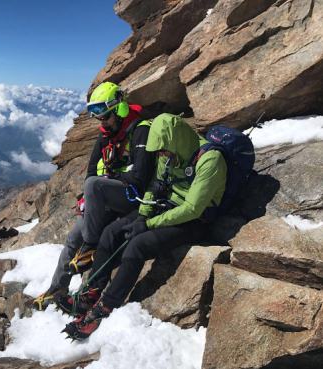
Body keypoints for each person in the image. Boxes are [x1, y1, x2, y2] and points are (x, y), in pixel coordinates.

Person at [62, 113, 228, 340]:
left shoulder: (210, 160)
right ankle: (92, 291)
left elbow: (192, 209)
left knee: (137, 246)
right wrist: (142, 216)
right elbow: (155, 185)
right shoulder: (169, 152)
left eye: (162, 150)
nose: (160, 155)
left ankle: (105, 308)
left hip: (194, 222)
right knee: (111, 232)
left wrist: (149, 224)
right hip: (165, 207)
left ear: (174, 139)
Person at [32, 82, 156, 310]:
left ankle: (90, 249)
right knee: (72, 238)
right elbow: (92, 169)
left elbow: (140, 178)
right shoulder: (107, 134)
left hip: (133, 197)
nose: (102, 122)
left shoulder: (141, 130)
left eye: (105, 116)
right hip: (111, 196)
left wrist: (103, 186)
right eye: (98, 118)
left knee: (93, 188)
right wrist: (88, 198)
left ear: (118, 109)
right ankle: (56, 289)